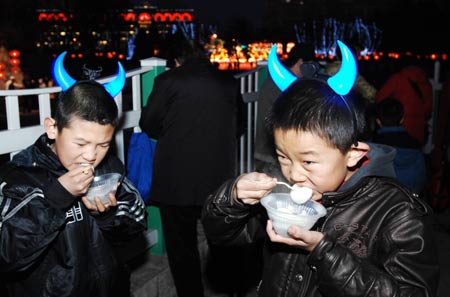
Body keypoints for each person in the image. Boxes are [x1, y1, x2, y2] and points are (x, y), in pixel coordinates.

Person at [202, 41, 439, 297]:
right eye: (283, 156)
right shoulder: (281, 197)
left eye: (308, 162)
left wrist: (325, 253)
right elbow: (224, 238)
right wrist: (232, 198)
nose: (293, 174)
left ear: (353, 155)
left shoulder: (398, 212)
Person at [0, 54, 147, 297]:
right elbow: (7, 257)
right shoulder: (21, 176)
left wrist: (109, 217)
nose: (91, 155)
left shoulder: (110, 168)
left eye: (103, 144)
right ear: (52, 128)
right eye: (81, 143)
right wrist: (56, 198)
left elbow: (135, 226)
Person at [139, 33, 244, 297]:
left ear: (175, 60)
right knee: (220, 239)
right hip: (217, 177)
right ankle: (228, 289)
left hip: (177, 179)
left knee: (180, 246)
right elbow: (239, 126)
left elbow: (148, 124)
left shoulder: (167, 80)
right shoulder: (227, 82)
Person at [254, 42, 316, 185]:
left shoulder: (282, 81)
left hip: (273, 153)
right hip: (273, 156)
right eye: (310, 64)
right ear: (301, 62)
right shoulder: (284, 85)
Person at [372, 97, 427, 194]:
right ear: (402, 119)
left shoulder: (372, 147)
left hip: (381, 202)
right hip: (409, 201)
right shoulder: (415, 146)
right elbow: (421, 180)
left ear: (378, 121)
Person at [375, 57, 433, 144]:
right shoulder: (426, 83)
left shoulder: (398, 78)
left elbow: (380, 98)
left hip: (399, 127)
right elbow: (428, 110)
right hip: (418, 129)